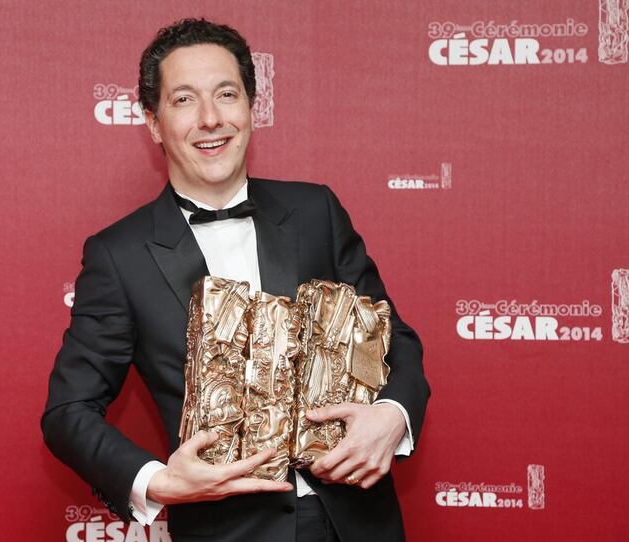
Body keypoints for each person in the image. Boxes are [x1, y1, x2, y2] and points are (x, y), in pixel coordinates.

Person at [42, 18, 430, 542]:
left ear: (251, 108)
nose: (210, 119)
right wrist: (158, 480)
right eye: (183, 100)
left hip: (358, 523)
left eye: (227, 94)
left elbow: (394, 341)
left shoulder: (316, 210)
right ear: (153, 123)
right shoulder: (118, 255)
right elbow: (68, 411)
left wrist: (392, 415)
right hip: (227, 530)